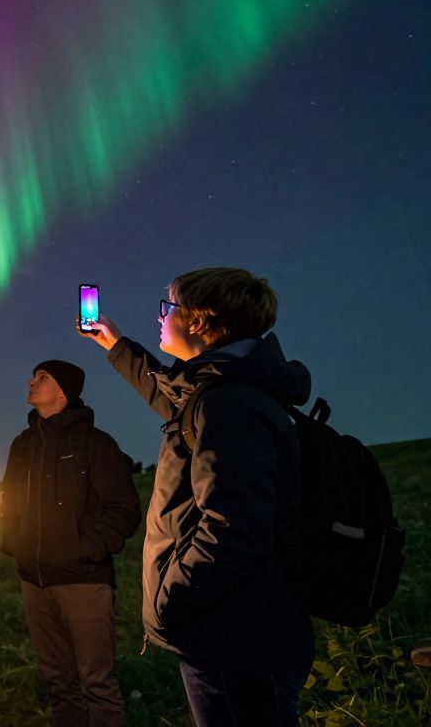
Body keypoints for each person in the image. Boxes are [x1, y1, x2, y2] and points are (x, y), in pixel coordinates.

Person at [80, 267, 314, 726]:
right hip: (230, 627)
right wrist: (117, 345)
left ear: (200, 322)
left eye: (169, 307)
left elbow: (235, 528)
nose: (160, 316)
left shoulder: (227, 403)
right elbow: (173, 397)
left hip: (237, 636)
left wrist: (172, 600)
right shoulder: (224, 389)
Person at [0, 360, 140, 727]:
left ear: (63, 390)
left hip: (84, 582)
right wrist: (15, 541)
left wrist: (85, 548)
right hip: (35, 580)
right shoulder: (23, 445)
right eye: (34, 374)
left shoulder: (94, 443)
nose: (31, 380)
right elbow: (9, 502)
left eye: (42, 376)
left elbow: (123, 509)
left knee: (97, 682)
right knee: (59, 682)